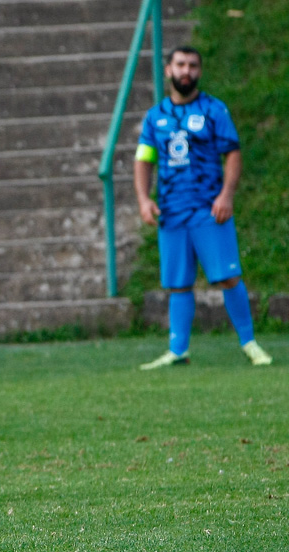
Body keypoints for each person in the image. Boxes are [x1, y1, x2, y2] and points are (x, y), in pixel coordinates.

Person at [135, 45, 272, 370]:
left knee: (227, 277)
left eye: (193, 66)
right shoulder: (155, 117)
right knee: (177, 283)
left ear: (199, 71)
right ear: (168, 70)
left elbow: (233, 153)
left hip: (209, 209)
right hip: (171, 211)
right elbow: (144, 159)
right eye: (180, 65)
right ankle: (178, 350)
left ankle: (250, 343)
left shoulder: (214, 110)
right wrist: (143, 198)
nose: (187, 71)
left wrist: (226, 195)